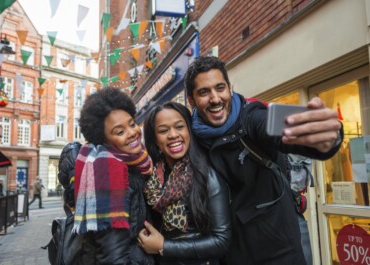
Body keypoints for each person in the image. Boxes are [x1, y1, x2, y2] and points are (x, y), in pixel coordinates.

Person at [184, 56, 343, 265]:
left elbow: (282, 131)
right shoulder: (192, 138)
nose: (215, 98)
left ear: (230, 89)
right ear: (192, 100)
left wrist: (327, 141)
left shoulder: (252, 117)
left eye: (220, 88)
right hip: (232, 254)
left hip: (278, 250)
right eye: (204, 92)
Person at [138, 102, 231, 265]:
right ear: (155, 139)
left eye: (179, 127)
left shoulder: (207, 176)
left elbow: (221, 241)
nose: (173, 134)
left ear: (189, 131)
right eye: (163, 130)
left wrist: (163, 247)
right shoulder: (151, 179)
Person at [72, 87, 154, 265]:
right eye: (119, 131)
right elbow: (111, 255)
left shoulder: (135, 164)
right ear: (104, 139)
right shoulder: (108, 174)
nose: (132, 132)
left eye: (132, 124)